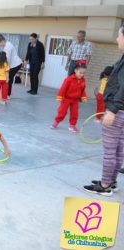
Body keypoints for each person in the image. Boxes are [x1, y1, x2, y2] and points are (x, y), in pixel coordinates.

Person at [83, 25, 124, 195]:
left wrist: (112, 110)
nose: (117, 39)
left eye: (119, 35)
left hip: (118, 110)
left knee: (110, 150)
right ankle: (111, 181)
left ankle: (105, 184)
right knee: (118, 149)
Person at [51, 60, 87, 132]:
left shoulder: (83, 80)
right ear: (75, 70)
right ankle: (56, 122)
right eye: (80, 73)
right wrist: (59, 97)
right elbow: (63, 88)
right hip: (66, 99)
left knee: (75, 113)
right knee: (62, 112)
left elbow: (83, 90)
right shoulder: (69, 79)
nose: (81, 75)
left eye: (83, 73)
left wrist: (83, 97)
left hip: (75, 100)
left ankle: (72, 125)